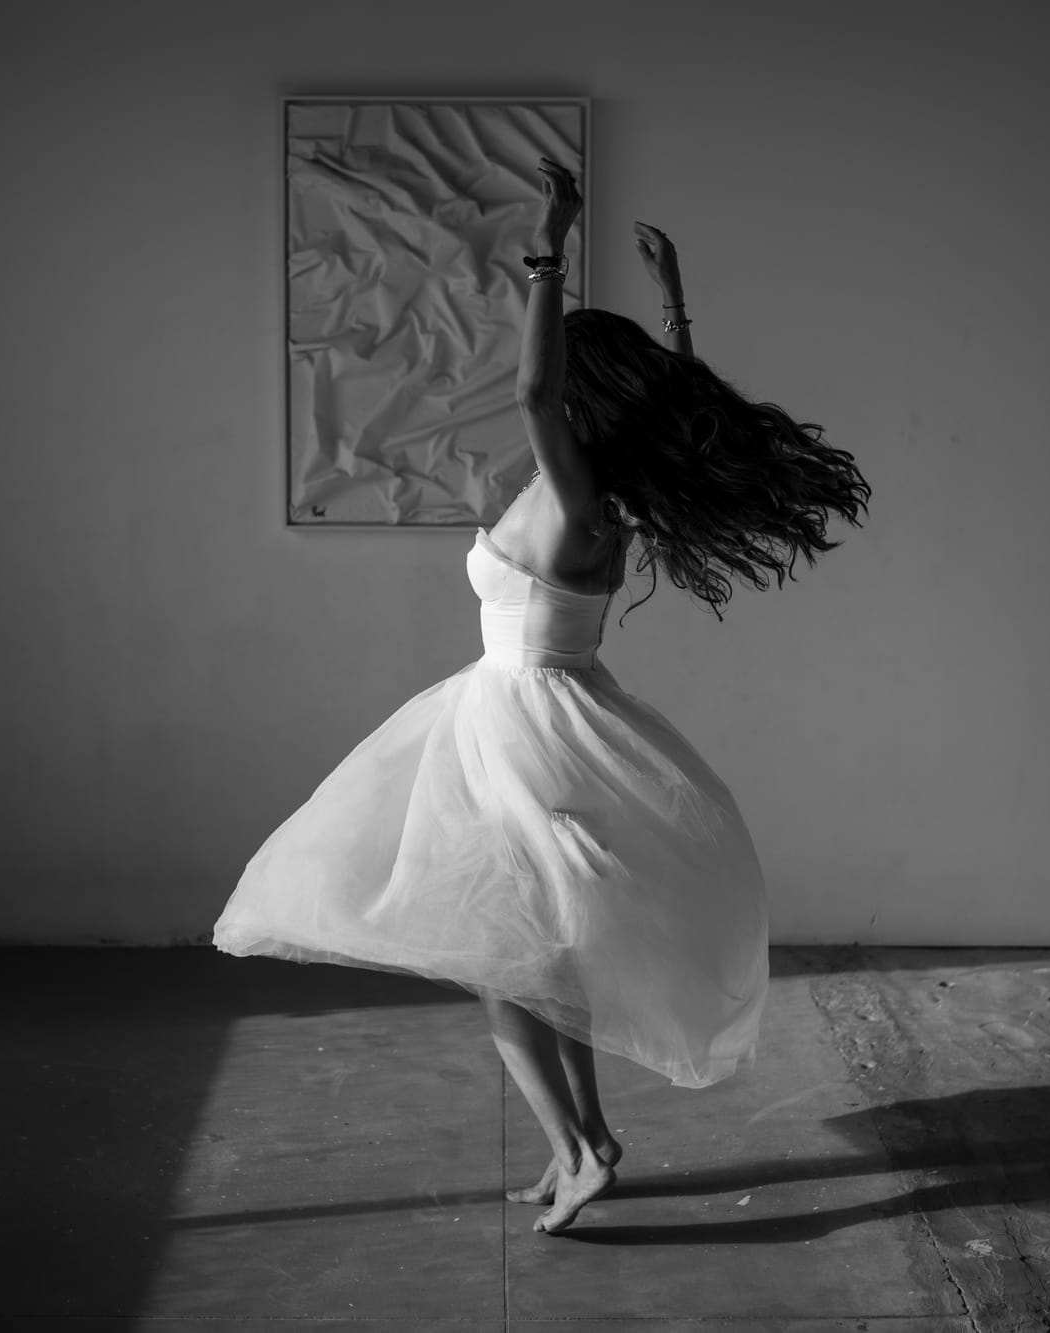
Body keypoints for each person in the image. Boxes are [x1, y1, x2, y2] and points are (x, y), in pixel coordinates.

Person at [214, 157, 872, 1234]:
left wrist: (549, 250)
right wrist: (674, 305)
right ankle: (592, 1142)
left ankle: (574, 1153)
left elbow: (529, 389)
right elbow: (660, 407)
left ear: (580, 397)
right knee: (542, 952)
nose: (550, 392)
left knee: (500, 962)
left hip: (519, 726)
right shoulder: (609, 503)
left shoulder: (573, 498)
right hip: (553, 718)